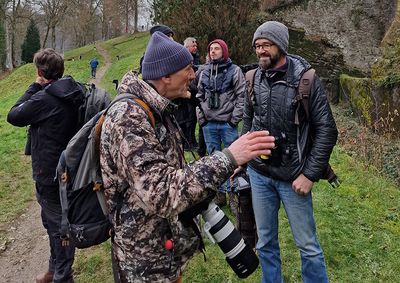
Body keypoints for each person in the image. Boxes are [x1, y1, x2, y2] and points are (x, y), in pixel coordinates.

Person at [99, 31, 275, 283]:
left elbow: (171, 170)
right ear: (166, 76)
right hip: (144, 259)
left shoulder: (156, 107)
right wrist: (228, 157)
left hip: (163, 247)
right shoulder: (129, 118)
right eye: (188, 69)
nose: (194, 75)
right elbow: (161, 192)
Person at [241, 21, 338, 283]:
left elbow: (327, 130)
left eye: (266, 45)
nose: (260, 51)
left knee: (308, 246)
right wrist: (244, 157)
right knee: (265, 242)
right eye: (257, 46)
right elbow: (247, 122)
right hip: (260, 175)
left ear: (281, 46)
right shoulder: (252, 78)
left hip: (294, 176)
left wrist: (310, 174)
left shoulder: (306, 80)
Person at [7, 48, 85, 283]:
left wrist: (34, 86)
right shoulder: (73, 90)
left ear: (40, 72)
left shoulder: (44, 98)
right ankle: (54, 271)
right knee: (55, 224)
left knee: (59, 228)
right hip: (69, 170)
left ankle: (62, 277)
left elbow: (14, 115)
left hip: (50, 174)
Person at [196, 39, 245, 209]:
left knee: (233, 160)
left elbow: (241, 97)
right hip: (209, 125)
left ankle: (233, 194)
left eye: (217, 49)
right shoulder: (204, 72)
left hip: (227, 124)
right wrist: (202, 119)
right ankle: (220, 194)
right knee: (213, 160)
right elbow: (199, 96)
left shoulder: (235, 71)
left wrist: (234, 120)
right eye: (211, 49)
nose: (213, 51)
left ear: (224, 51)